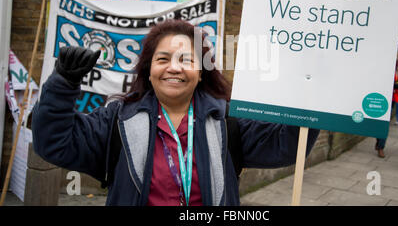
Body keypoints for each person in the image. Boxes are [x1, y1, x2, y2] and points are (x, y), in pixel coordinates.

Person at [32, 19, 320, 206]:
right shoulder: (117, 120)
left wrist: (308, 92)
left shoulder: (227, 121)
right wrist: (63, 84)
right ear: (149, 68)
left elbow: (286, 146)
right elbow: (55, 143)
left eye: (186, 59)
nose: (174, 67)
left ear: (201, 70)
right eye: (163, 59)